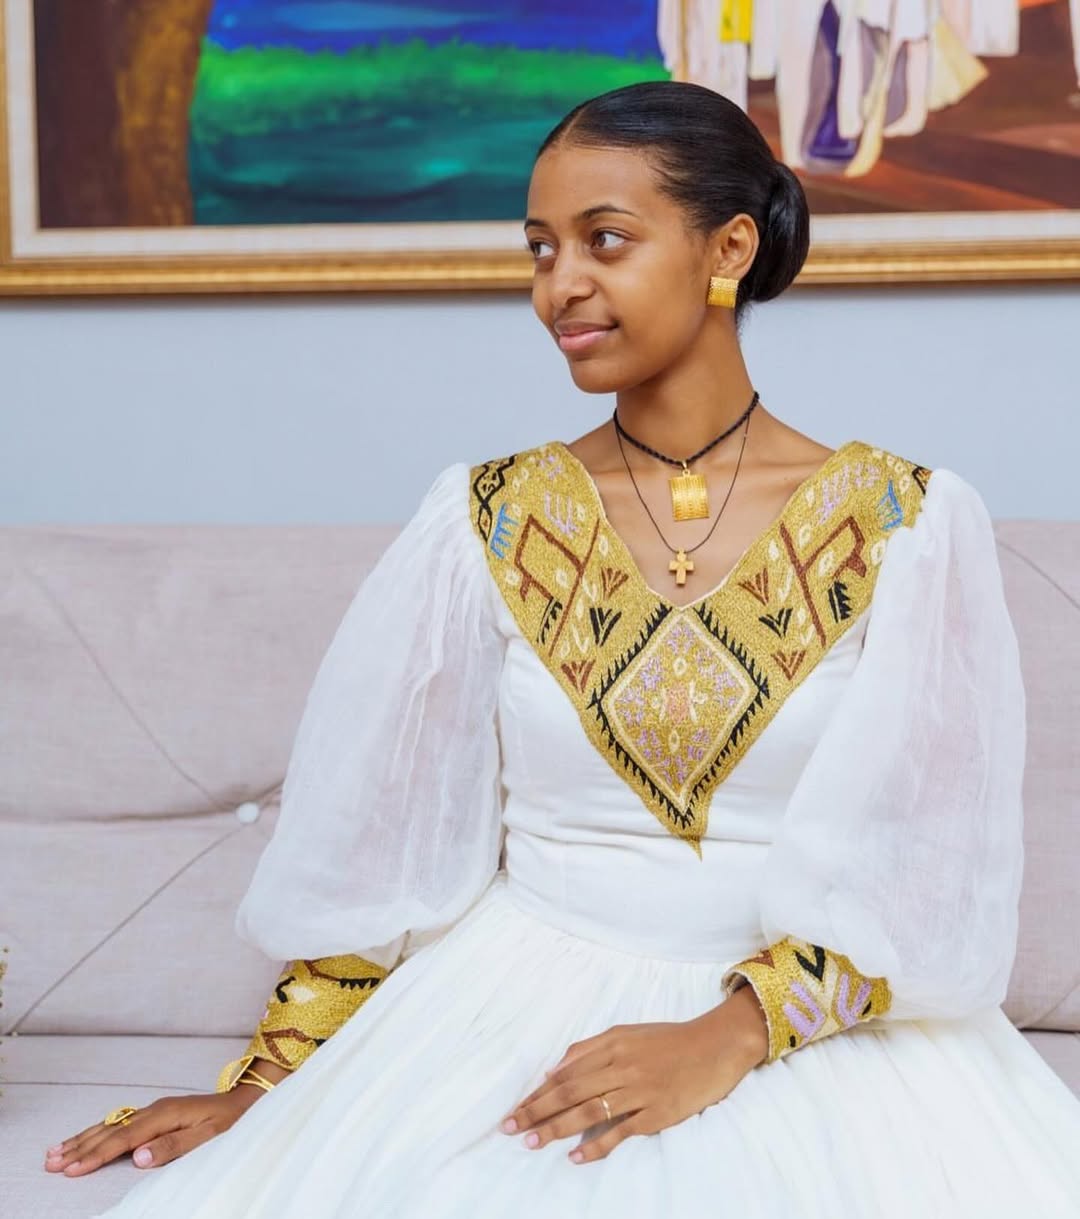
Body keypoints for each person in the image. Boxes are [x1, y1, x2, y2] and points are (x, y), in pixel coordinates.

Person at [46, 81, 1080, 1218]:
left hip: (815, 1033)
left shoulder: (910, 524)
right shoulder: (481, 516)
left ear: (728, 245)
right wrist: (272, 1089)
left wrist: (727, 1037)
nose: (559, 287)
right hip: (506, 999)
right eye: (541, 249)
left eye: (607, 240)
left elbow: (926, 869)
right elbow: (386, 841)